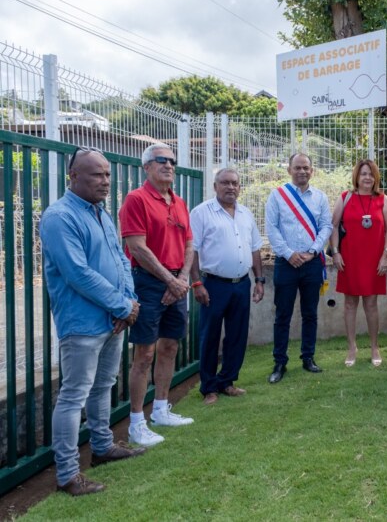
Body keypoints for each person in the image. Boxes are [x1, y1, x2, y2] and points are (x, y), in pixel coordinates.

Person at [41, 147, 144, 496]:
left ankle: (102, 448)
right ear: (73, 176)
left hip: (112, 319)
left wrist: (128, 303)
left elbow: (121, 259)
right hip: (83, 323)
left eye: (107, 175)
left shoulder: (100, 213)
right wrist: (121, 305)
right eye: (96, 175)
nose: (105, 181)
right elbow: (77, 273)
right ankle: (68, 475)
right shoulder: (60, 217)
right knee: (74, 396)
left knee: (103, 387)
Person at [120, 143, 195, 447]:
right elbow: (137, 247)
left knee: (170, 347)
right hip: (148, 283)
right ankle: (136, 422)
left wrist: (182, 279)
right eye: (161, 160)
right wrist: (169, 281)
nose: (168, 165)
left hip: (177, 280)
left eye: (172, 161)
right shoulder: (136, 200)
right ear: (146, 167)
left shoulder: (178, 202)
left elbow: (190, 244)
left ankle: (161, 409)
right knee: (144, 354)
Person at [189, 168, 265, 405]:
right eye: (225, 183)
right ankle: (209, 387)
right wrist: (197, 283)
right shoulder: (201, 213)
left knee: (237, 336)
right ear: (215, 186)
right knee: (210, 336)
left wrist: (259, 280)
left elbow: (254, 249)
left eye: (235, 183)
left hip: (241, 284)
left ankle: (227, 381)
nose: (231, 187)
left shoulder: (245, 214)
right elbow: (192, 250)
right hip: (213, 284)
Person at [265, 152, 333, 383]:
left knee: (310, 314)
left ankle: (308, 358)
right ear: (289, 170)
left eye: (306, 167)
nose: (302, 171)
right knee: (282, 315)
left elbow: (326, 227)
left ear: (312, 170)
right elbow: (271, 228)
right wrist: (289, 253)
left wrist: (312, 251)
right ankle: (280, 362)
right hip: (286, 264)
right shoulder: (277, 196)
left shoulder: (320, 197)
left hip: (311, 263)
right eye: (297, 167)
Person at [331, 159, 387, 367]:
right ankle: (352, 347)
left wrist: (386, 255)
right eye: (363, 174)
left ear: (376, 177)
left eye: (370, 174)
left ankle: (374, 346)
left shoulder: (383, 199)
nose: (367, 177)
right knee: (350, 303)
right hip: (349, 259)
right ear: (356, 177)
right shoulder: (345, 198)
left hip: (374, 260)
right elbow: (333, 226)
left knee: (371, 304)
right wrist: (335, 253)